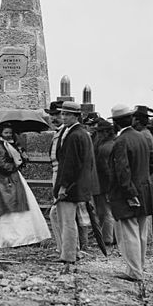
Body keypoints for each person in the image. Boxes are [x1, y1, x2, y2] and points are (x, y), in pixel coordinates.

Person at [107, 104, 153, 282]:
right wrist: (141, 182)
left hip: (127, 192)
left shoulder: (121, 141)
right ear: (131, 119)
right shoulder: (143, 137)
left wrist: (129, 192)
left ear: (116, 123)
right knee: (141, 232)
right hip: (144, 189)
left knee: (128, 233)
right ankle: (138, 267)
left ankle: (134, 271)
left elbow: (122, 170)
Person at [49, 101, 100, 269]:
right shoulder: (80, 133)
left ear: (76, 116)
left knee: (67, 221)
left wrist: (63, 186)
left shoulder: (74, 135)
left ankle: (69, 254)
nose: (63, 117)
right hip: (78, 184)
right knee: (65, 218)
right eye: (62, 114)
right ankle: (72, 251)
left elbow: (70, 164)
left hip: (71, 186)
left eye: (67, 114)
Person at [92, 118, 116, 246]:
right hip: (106, 183)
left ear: (106, 133)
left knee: (105, 212)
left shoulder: (105, 147)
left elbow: (106, 169)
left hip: (104, 183)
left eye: (100, 132)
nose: (98, 135)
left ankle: (107, 238)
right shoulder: (111, 144)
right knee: (107, 211)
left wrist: (109, 184)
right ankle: (111, 236)